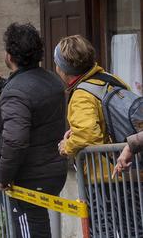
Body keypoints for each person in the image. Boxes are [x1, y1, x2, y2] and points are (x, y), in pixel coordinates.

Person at [0, 22, 67, 238]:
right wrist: (1, 85)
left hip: (29, 177)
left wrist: (3, 176)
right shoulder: (52, 81)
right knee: (38, 226)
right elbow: (32, 104)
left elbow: (15, 140)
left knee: (29, 230)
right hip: (54, 171)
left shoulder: (16, 93)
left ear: (9, 56)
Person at [51, 35, 139, 237]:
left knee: (102, 230)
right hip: (129, 169)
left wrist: (66, 146)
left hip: (103, 177)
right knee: (134, 228)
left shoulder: (82, 94)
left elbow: (87, 135)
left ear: (64, 69)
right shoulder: (111, 79)